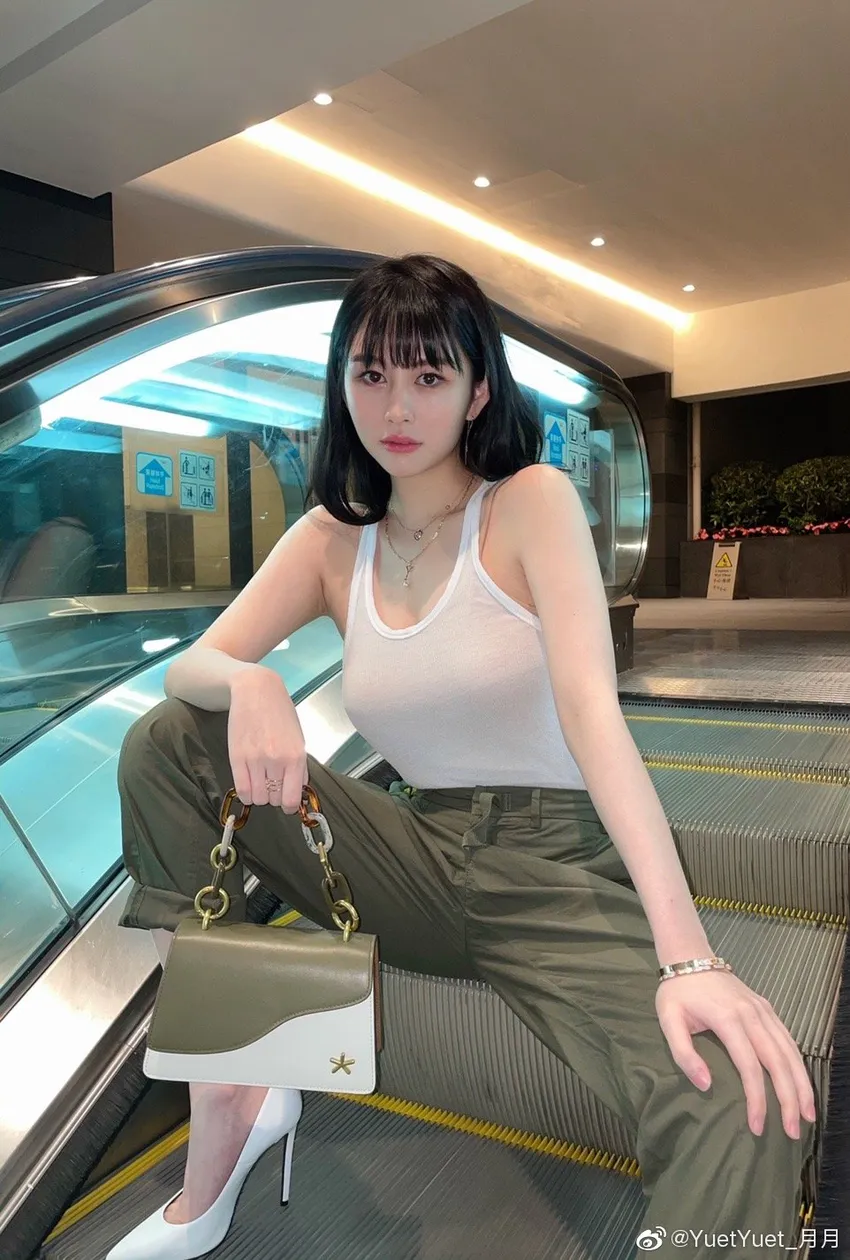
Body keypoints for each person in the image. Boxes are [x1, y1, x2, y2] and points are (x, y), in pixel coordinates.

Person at [109, 254, 816, 1260]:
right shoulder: (330, 542)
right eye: (371, 373)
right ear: (342, 382)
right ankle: (229, 1079)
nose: (396, 406)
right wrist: (250, 684)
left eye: (429, 375)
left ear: (478, 390)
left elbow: (595, 719)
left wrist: (689, 958)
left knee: (742, 1098)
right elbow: (194, 666)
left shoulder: (528, 502)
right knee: (170, 740)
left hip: (554, 868)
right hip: (415, 854)